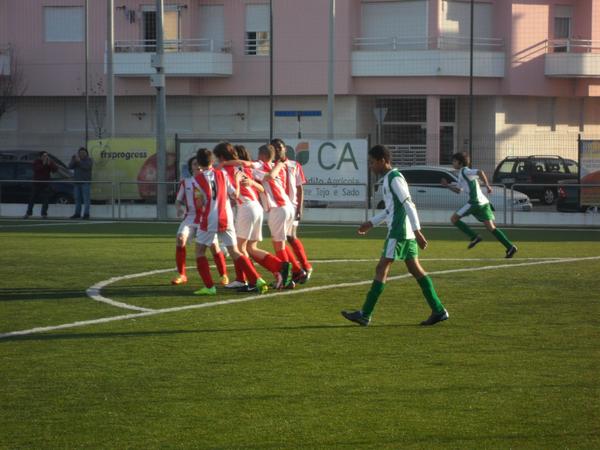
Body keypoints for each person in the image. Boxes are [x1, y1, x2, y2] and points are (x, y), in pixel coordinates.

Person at [341, 144, 448, 327]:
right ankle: (438, 310)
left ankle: (365, 314)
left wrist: (418, 231)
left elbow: (408, 204)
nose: (371, 166)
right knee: (415, 269)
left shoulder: (394, 178)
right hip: (405, 232)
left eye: (372, 162)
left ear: (382, 160)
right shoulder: (389, 179)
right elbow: (390, 210)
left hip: (399, 232)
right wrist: (371, 223)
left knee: (381, 268)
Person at [215, 144, 292, 290]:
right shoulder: (245, 168)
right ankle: (278, 269)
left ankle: (251, 279)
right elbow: (262, 188)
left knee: (238, 248)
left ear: (221, 157)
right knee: (250, 247)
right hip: (256, 207)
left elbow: (232, 192)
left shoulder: (223, 170)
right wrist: (250, 183)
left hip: (246, 208)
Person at [193, 146, 268, 296]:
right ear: (212, 161)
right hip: (226, 217)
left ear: (199, 163)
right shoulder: (223, 174)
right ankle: (257, 279)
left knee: (200, 252)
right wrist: (237, 181)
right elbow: (235, 195)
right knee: (235, 251)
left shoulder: (197, 179)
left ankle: (209, 287)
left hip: (209, 219)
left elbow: (199, 204)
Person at [442, 152, 517, 258]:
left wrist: (487, 186)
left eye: (454, 161)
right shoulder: (461, 174)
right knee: (491, 227)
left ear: (460, 162)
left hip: (475, 202)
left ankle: (474, 237)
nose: (452, 163)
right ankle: (510, 247)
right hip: (484, 202)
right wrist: (447, 186)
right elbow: (458, 190)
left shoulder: (465, 171)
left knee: (454, 219)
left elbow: (480, 172)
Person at [171, 155, 229, 286]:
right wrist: (179, 208)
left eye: (199, 163)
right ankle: (182, 275)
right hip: (190, 218)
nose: (197, 166)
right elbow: (178, 200)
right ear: (191, 168)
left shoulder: (209, 180)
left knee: (214, 247)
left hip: (206, 218)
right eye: (194, 164)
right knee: (180, 239)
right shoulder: (186, 182)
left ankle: (223, 274)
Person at [271, 138, 313, 283]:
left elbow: (300, 188)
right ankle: (297, 270)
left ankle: (305, 267)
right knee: (283, 238)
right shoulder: (272, 166)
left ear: (285, 149)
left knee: (290, 237)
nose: (277, 150)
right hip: (280, 207)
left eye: (279, 147)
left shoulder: (294, 165)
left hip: (292, 206)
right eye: (274, 148)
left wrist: (300, 208)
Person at [24, 151, 57, 219]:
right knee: (32, 199)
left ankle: (44, 214)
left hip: (45, 184)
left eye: (46, 156)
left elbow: (55, 170)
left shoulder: (49, 162)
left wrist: (50, 164)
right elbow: (36, 169)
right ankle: (28, 213)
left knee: (45, 200)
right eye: (44, 156)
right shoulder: (36, 161)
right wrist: (44, 164)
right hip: (36, 183)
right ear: (40, 156)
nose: (45, 157)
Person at [69, 147, 93, 219]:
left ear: (86, 153)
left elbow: (87, 167)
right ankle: (77, 213)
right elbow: (70, 166)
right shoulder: (76, 160)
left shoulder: (89, 160)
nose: (81, 154)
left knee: (86, 199)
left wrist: (79, 161)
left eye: (83, 153)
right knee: (77, 199)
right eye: (80, 153)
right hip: (77, 183)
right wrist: (73, 160)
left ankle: (86, 214)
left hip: (85, 183)